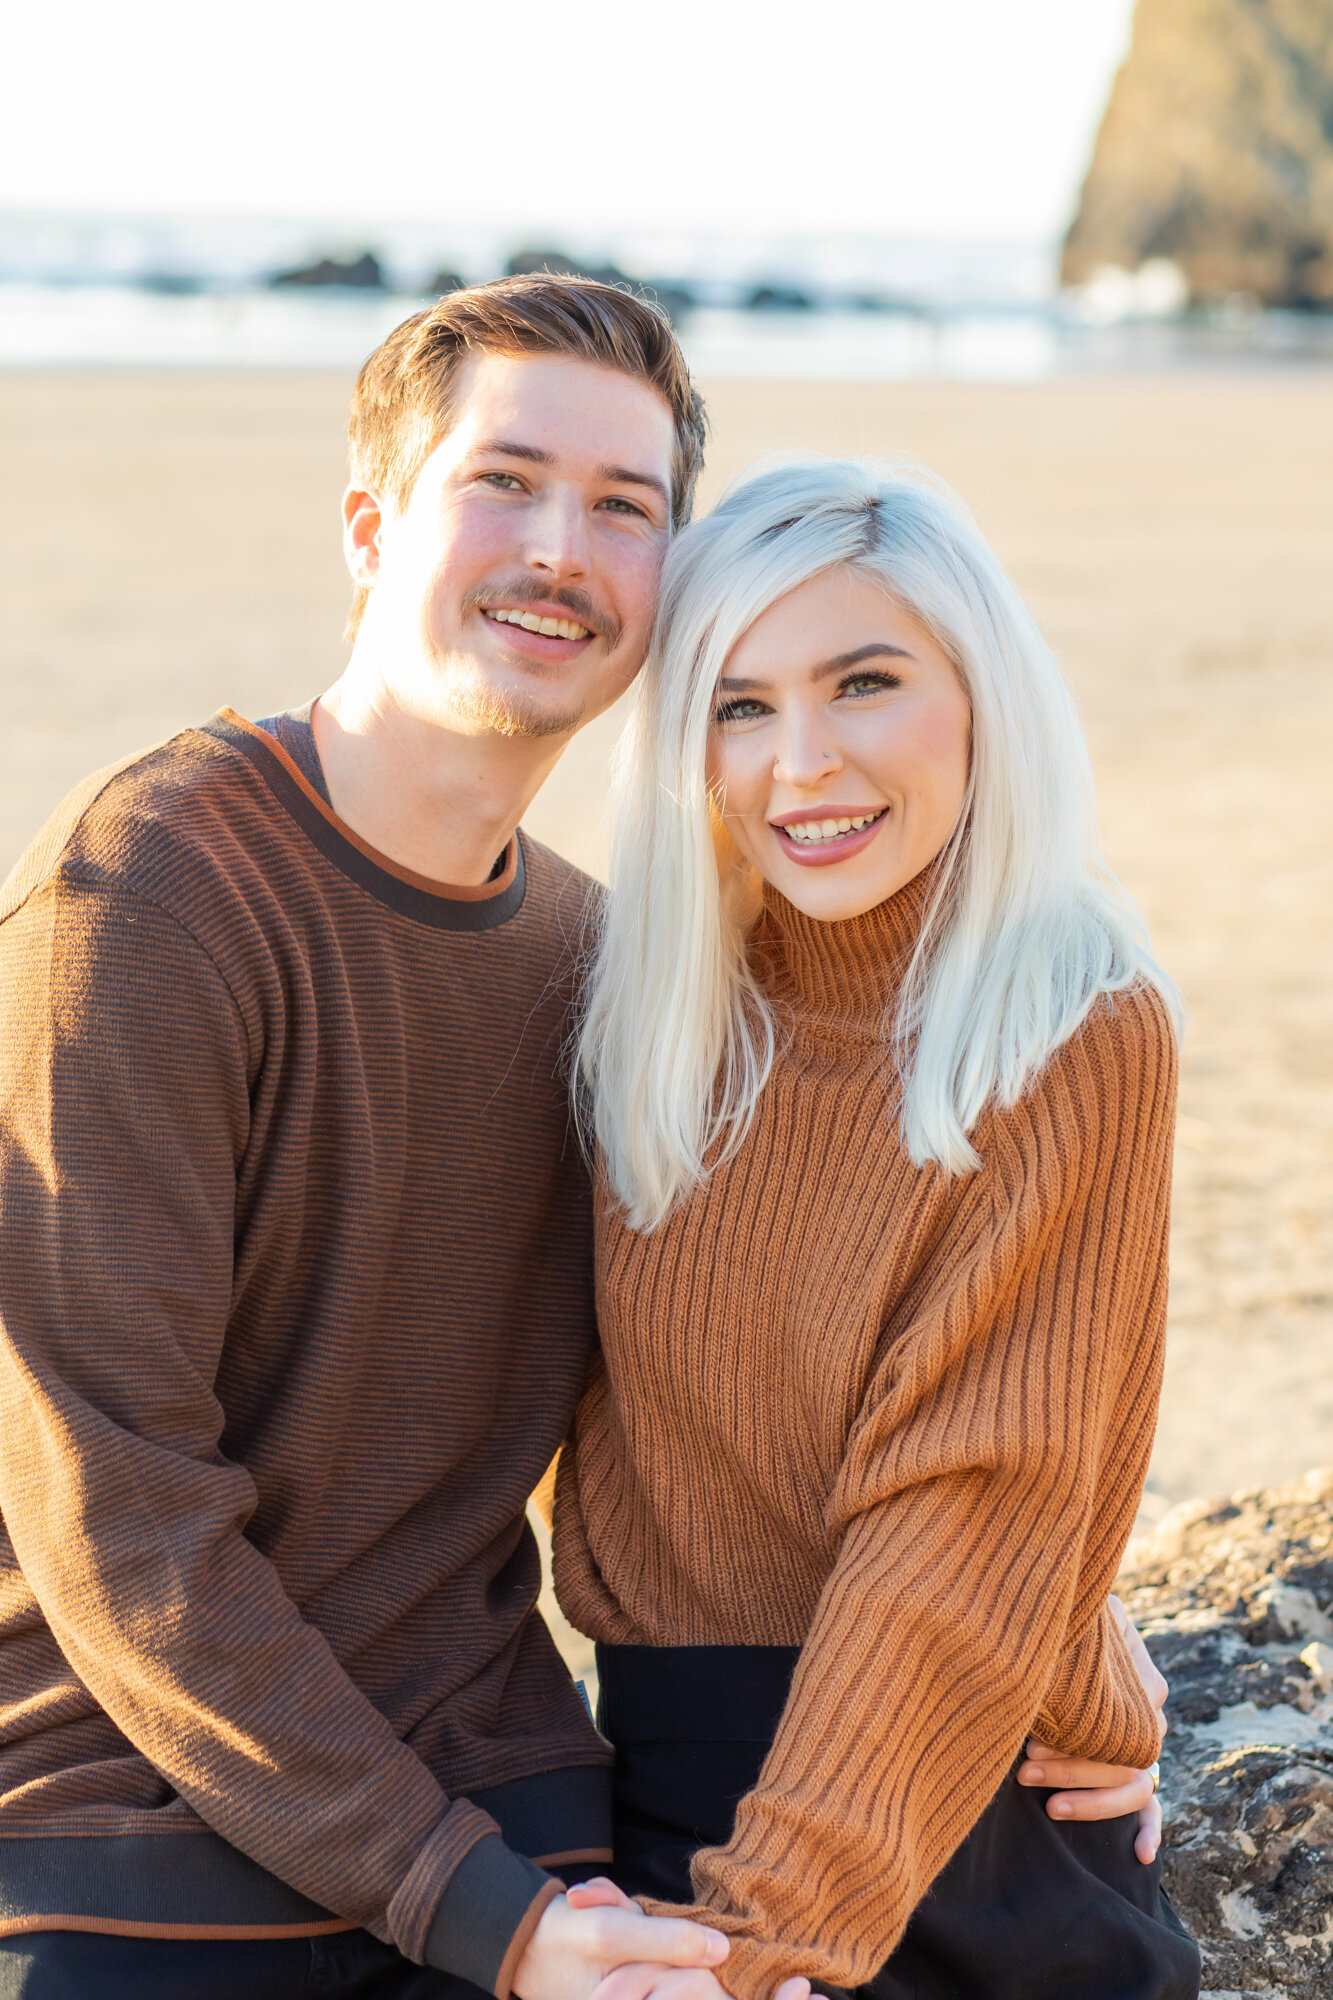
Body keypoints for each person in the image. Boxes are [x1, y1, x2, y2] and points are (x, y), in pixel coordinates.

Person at [0, 277, 738, 2000]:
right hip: (136, 1791)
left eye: (622, 508)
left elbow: (748, 1387)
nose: (558, 549)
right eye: (504, 482)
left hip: (496, 1774)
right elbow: (113, 1502)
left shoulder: (601, 963)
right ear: (369, 528)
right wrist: (481, 1917)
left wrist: (1057, 1631)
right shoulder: (148, 896)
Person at [556, 457, 1202, 1999]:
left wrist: (763, 1933)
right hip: (665, 1782)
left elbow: (967, 1498)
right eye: (740, 704)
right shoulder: (644, 1018)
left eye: (863, 682)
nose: (802, 765)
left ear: (979, 695)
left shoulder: (1075, 1024)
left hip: (949, 1837)